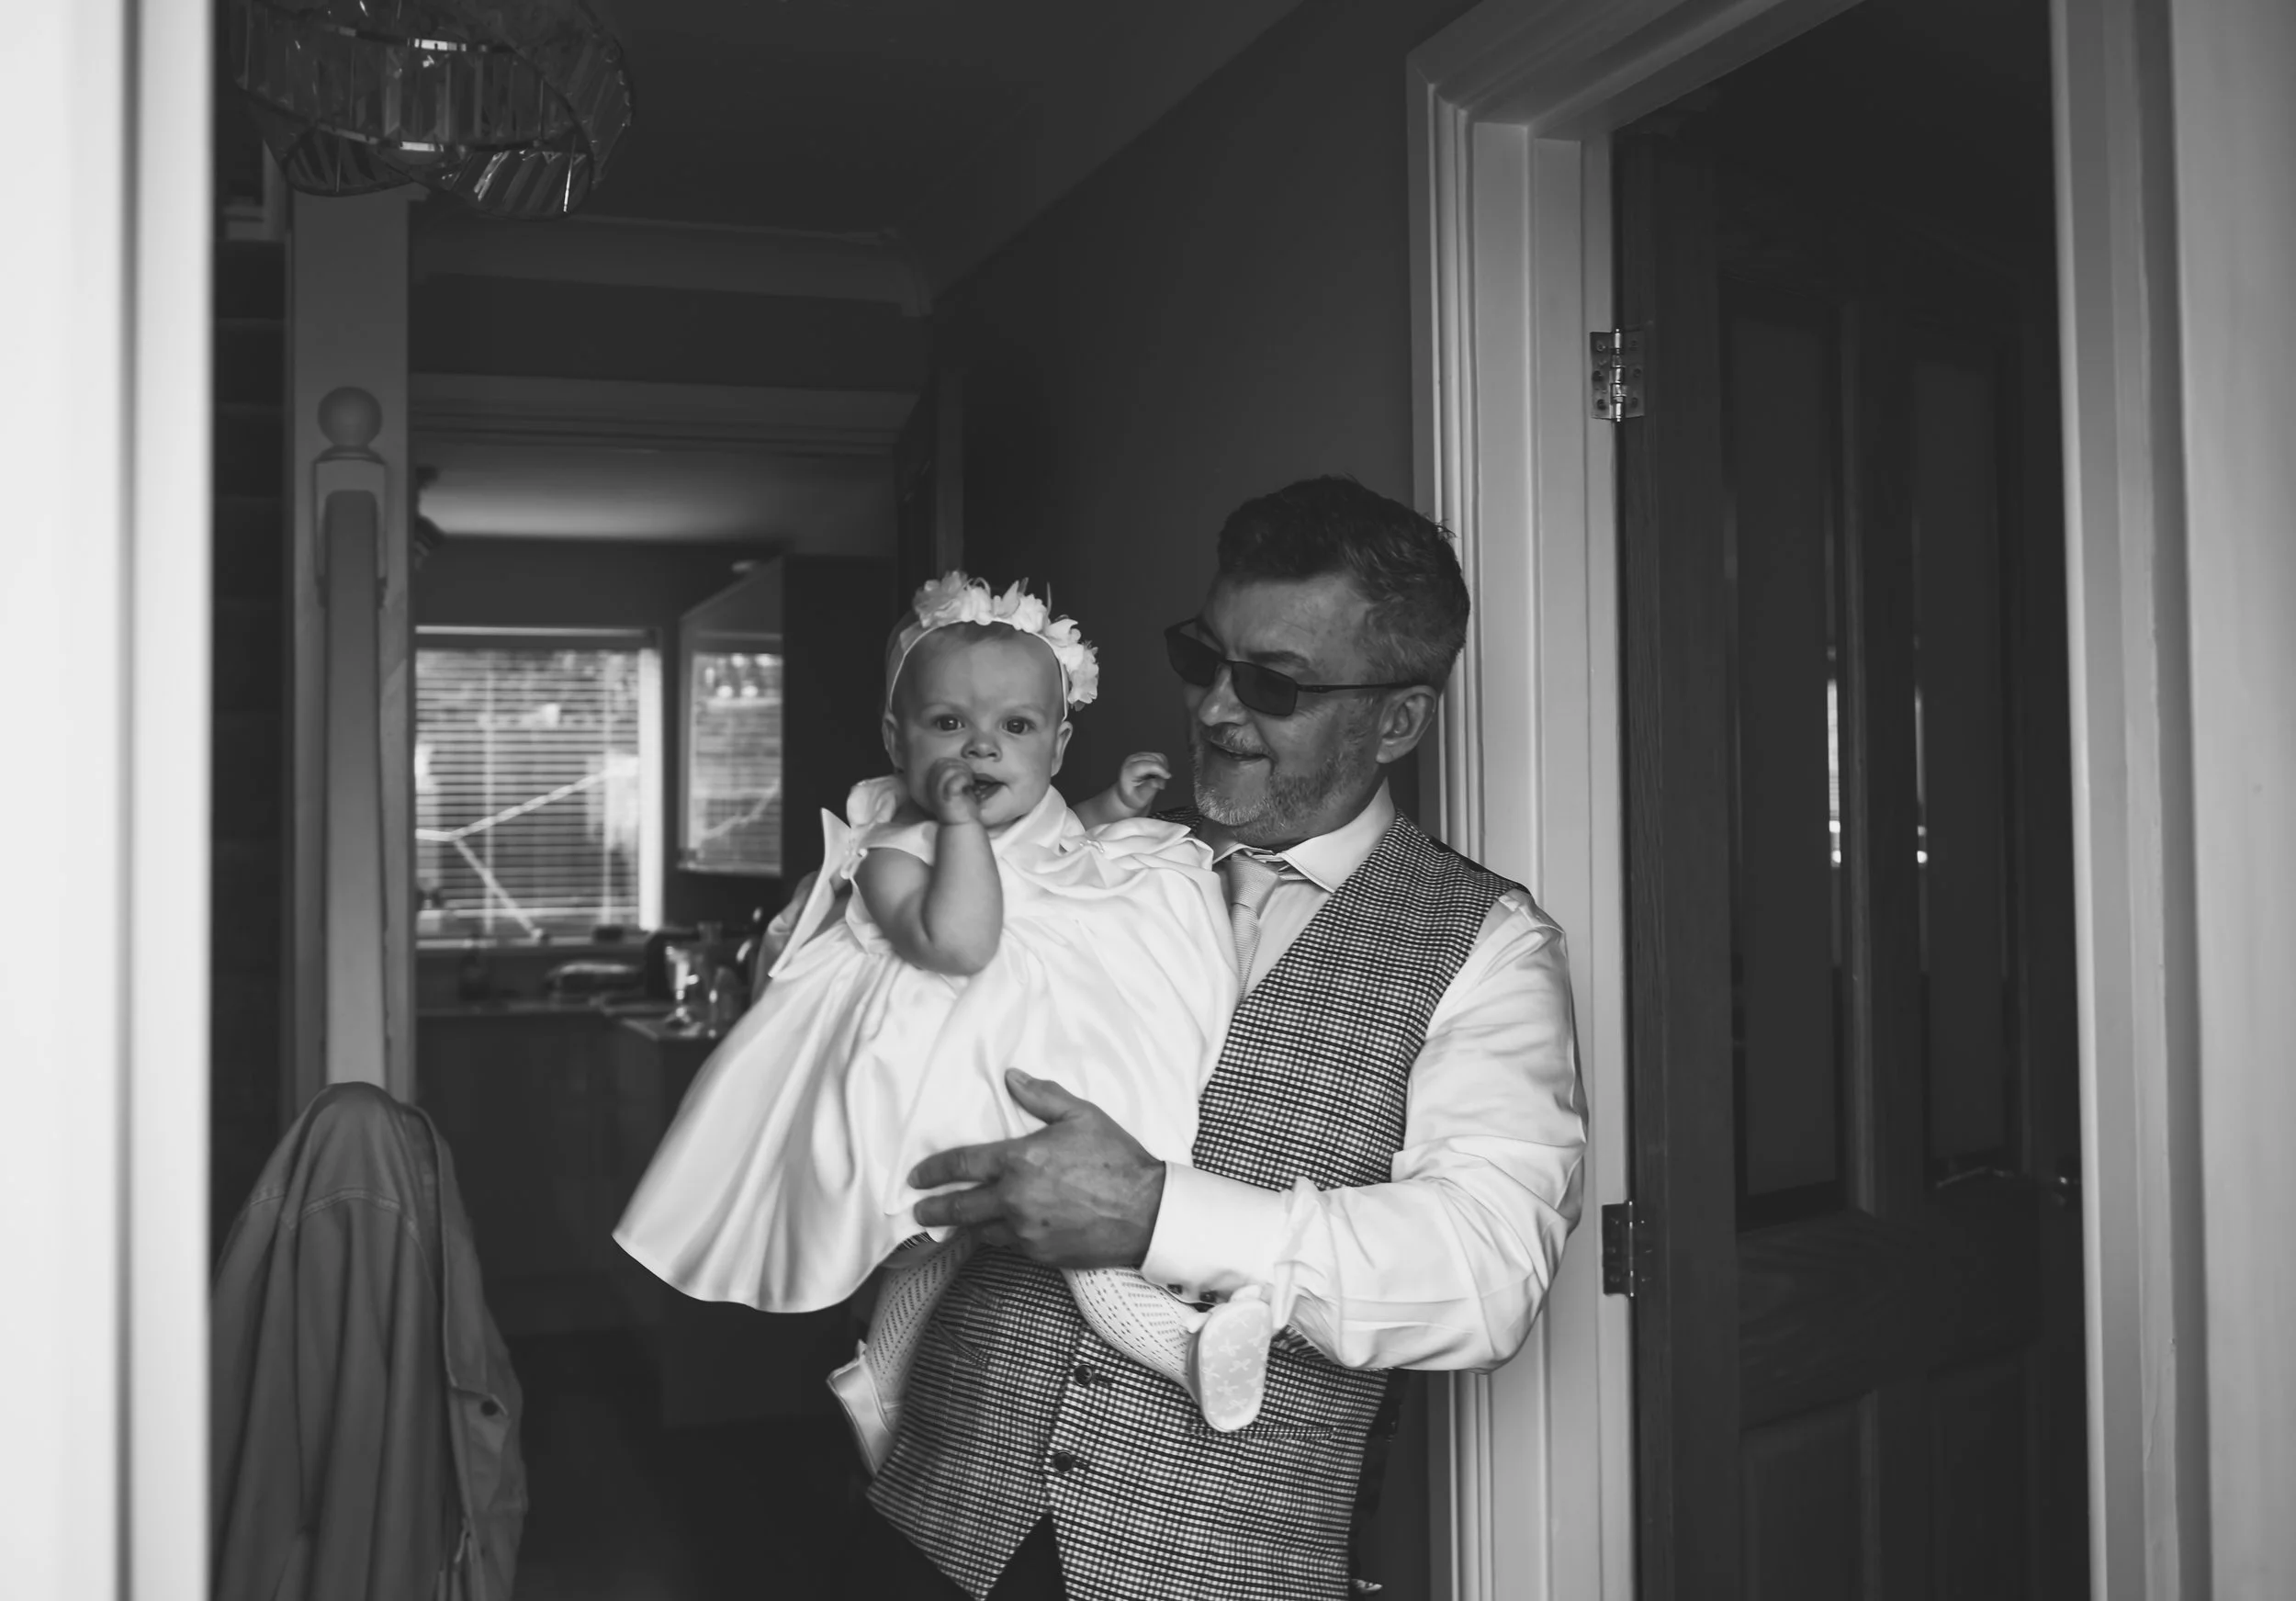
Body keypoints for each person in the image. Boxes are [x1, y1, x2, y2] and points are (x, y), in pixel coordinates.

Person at [849, 477, 1588, 1601]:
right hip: (926, 1522)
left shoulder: (1488, 946)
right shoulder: (1068, 856)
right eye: (1203, 659)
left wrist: (1158, 1216)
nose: (1212, 709)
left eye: (1273, 683)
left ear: (1396, 720)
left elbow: (1488, 1270)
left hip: (1219, 1568)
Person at [614, 573, 1292, 1471]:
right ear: (896, 739)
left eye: (1016, 727)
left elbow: (1052, 849)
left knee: (961, 1255)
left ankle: (876, 1379)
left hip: (1008, 1055)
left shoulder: (1027, 812)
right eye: (948, 723)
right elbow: (962, 939)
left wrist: (1110, 810)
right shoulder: (889, 851)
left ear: (1058, 745)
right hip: (940, 1080)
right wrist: (962, 824)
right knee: (979, 1248)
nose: (982, 745)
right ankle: (1181, 1343)